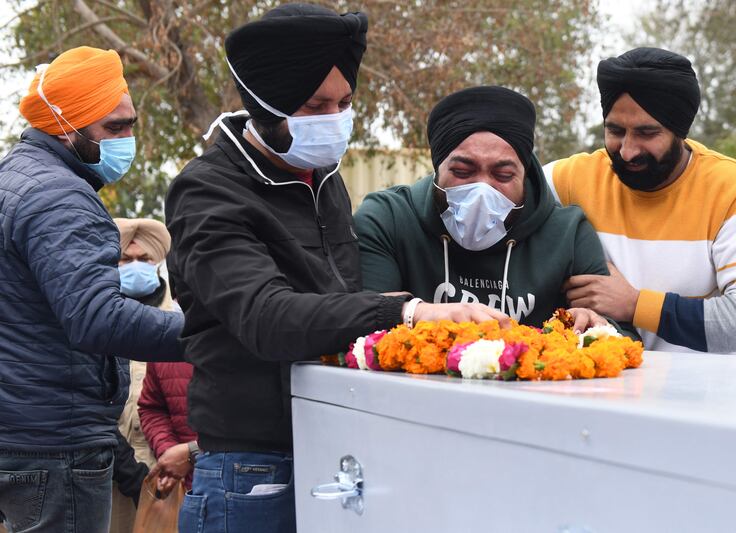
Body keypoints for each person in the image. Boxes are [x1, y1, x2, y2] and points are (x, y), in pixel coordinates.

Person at [164, 5, 507, 533]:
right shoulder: (208, 192)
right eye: (314, 104)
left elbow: (336, 298)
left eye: (344, 102)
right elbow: (267, 318)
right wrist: (408, 311)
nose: (334, 119)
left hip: (330, 446)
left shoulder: (323, 177)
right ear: (263, 105)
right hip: (253, 470)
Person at [0, 47, 183, 533]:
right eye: (115, 128)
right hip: (56, 440)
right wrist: (209, 332)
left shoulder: (14, 179)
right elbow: (96, 318)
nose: (129, 140)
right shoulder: (59, 196)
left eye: (130, 125)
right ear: (67, 126)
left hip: (25, 430)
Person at [543, 47, 736, 353]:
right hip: (593, 390)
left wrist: (635, 304)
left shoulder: (733, 190)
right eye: (615, 130)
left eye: (647, 132)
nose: (628, 150)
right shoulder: (569, 179)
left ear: (680, 131)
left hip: (700, 397)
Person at [354, 86, 620, 333]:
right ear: (438, 167)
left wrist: (597, 327)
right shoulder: (387, 219)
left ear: (524, 174)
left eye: (503, 175)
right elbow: (359, 326)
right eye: (462, 172)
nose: (482, 190)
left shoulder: (569, 234)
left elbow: (624, 338)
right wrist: (410, 314)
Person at [109, 218, 173, 533]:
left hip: (168, 466)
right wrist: (127, 471)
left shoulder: (176, 317)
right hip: (108, 467)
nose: (136, 266)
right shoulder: (97, 321)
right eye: (126, 259)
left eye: (144, 259)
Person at [138, 359, 197, 492]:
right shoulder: (166, 348)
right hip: (183, 485)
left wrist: (194, 451)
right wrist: (168, 451)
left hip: (242, 484)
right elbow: (153, 409)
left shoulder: (246, 342)